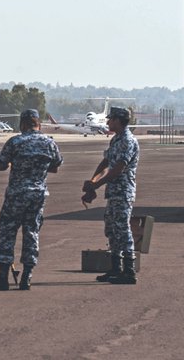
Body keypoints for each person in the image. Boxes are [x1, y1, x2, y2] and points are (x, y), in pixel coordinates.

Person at [0, 109, 63, 291]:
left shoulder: (16, 141)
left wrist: (12, 163)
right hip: (38, 195)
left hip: (17, 193)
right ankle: (27, 277)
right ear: (38, 123)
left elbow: (0, 166)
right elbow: (55, 167)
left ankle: (3, 277)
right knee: (32, 232)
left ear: (23, 124)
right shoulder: (49, 143)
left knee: (8, 232)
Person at [82, 107, 139, 285]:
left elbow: (117, 169)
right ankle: (116, 268)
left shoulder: (127, 141)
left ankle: (129, 271)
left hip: (123, 192)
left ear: (119, 120)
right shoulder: (116, 140)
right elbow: (106, 162)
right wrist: (92, 182)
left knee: (123, 229)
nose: (107, 122)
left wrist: (96, 186)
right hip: (114, 192)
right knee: (112, 230)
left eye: (111, 119)